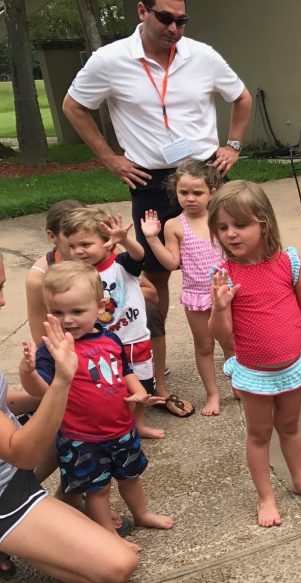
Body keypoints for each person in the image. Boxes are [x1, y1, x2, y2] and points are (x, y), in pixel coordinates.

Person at [62, 0, 252, 417]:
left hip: (202, 176)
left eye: (181, 21)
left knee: (230, 261)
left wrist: (233, 145)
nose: (175, 29)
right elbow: (74, 106)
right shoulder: (109, 60)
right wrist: (110, 158)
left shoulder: (202, 56)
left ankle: (244, 357)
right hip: (148, 178)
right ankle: (154, 366)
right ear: (142, 11)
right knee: (155, 276)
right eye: (165, 18)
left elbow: (241, 98)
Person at [0, 256, 139, 583]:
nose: (3, 300)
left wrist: (89, 397)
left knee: (84, 434)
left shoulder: (104, 338)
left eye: (2, 287)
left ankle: (64, 508)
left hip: (13, 468)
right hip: (7, 484)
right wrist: (61, 381)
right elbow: (21, 454)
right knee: (117, 566)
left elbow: (5, 401)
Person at [208, 181, 301, 527]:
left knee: (291, 427)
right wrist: (220, 309)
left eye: (240, 224)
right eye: (222, 227)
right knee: (260, 434)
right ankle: (266, 497)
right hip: (255, 373)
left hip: (291, 367)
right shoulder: (224, 275)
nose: (231, 234)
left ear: (263, 224)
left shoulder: (288, 262)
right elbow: (222, 336)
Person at [22, 262, 171, 535]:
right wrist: (28, 371)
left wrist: (138, 391)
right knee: (97, 490)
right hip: (82, 438)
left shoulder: (110, 339)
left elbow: (124, 370)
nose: (67, 320)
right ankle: (109, 534)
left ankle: (142, 513)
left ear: (101, 306)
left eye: (77, 311)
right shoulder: (53, 350)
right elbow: (40, 390)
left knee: (131, 477)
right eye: (57, 312)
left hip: (121, 430)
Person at [60, 208, 166, 440]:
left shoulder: (121, 264)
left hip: (132, 337)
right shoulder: (76, 274)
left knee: (141, 386)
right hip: (99, 344)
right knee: (108, 387)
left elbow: (139, 256)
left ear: (107, 242)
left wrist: (126, 239)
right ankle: (118, 426)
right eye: (73, 246)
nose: (78, 251)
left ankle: (138, 424)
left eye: (86, 244)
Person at [141, 159, 233, 416]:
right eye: (184, 193)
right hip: (197, 295)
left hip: (226, 292)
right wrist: (151, 238)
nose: (190, 198)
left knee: (231, 343)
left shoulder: (221, 218)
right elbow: (171, 262)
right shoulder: (174, 225)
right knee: (204, 345)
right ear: (176, 192)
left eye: (197, 193)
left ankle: (238, 383)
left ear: (212, 192)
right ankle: (213, 394)